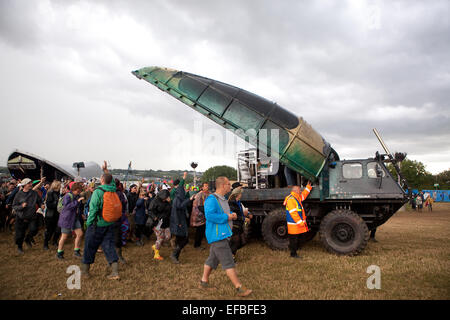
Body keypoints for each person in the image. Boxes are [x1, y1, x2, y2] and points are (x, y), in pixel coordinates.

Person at [200, 176, 252, 297]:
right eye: (229, 184)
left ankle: (204, 281)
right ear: (223, 185)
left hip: (222, 233)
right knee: (228, 261)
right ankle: (239, 287)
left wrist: (231, 215)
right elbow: (210, 216)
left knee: (212, 259)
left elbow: (222, 214)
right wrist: (228, 217)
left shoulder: (222, 199)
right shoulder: (212, 199)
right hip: (217, 235)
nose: (230, 186)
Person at [81, 161, 122, 280]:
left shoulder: (98, 192)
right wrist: (106, 171)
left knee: (89, 246)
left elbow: (93, 210)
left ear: (102, 180)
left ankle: (85, 272)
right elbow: (112, 180)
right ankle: (115, 272)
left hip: (97, 224)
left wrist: (88, 224)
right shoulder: (113, 189)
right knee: (109, 246)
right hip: (109, 223)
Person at [12, 178, 44, 254]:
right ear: (24, 185)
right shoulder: (18, 194)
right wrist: (21, 206)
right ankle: (20, 247)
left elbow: (39, 201)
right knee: (20, 234)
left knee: (34, 229)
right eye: (29, 183)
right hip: (21, 217)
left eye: (31, 183)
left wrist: (41, 205)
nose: (31, 185)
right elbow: (14, 206)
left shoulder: (34, 193)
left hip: (31, 216)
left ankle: (28, 239)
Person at [283, 182, 312, 259]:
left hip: (297, 224)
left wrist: (308, 187)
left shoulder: (297, 197)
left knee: (297, 239)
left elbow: (304, 195)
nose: (301, 191)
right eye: (299, 190)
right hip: (294, 224)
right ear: (295, 191)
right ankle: (293, 254)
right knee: (293, 240)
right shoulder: (291, 199)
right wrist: (301, 223)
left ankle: (294, 250)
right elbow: (293, 213)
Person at [169, 172, 193, 264]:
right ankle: (174, 255)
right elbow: (180, 206)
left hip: (179, 221)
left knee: (182, 239)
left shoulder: (178, 198)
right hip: (178, 222)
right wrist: (189, 199)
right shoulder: (177, 199)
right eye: (182, 189)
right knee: (184, 239)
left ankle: (175, 255)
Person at [56, 182, 84, 259]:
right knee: (64, 237)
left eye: (80, 190)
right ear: (74, 189)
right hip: (67, 219)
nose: (79, 192)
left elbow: (77, 207)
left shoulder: (77, 196)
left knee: (80, 234)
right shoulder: (68, 196)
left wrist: (80, 213)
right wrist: (77, 202)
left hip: (75, 218)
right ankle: (59, 252)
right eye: (78, 190)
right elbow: (67, 206)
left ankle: (76, 251)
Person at [228, 186, 252, 262]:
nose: (241, 195)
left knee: (242, 241)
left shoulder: (238, 202)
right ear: (237, 194)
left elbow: (242, 211)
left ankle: (228, 253)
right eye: (240, 193)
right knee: (236, 241)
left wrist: (247, 214)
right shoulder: (231, 203)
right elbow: (234, 216)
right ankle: (231, 257)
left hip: (239, 224)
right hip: (234, 224)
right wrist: (244, 218)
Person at [149, 189, 172, 260]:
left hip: (166, 222)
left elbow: (169, 210)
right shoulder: (155, 201)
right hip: (157, 223)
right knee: (160, 238)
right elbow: (150, 211)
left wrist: (169, 202)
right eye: (165, 197)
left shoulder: (167, 202)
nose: (166, 198)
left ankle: (155, 246)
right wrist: (155, 218)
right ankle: (156, 254)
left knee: (168, 236)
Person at [190, 182, 210, 250]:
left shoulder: (208, 194)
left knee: (202, 230)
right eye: (206, 186)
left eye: (207, 186)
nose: (207, 187)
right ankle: (196, 245)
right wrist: (208, 213)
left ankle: (198, 244)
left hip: (204, 216)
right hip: (199, 216)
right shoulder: (199, 195)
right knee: (199, 230)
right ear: (202, 187)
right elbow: (200, 207)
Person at [43, 180, 61, 250]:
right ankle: (45, 244)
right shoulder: (50, 193)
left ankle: (54, 241)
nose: (60, 187)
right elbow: (49, 204)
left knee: (58, 229)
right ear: (56, 186)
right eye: (59, 185)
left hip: (57, 214)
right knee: (49, 230)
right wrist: (57, 204)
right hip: (50, 215)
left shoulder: (58, 193)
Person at [115, 179, 128, 263]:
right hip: (111, 217)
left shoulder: (120, 193)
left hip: (118, 217)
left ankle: (119, 255)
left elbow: (123, 204)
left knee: (118, 236)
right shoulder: (105, 192)